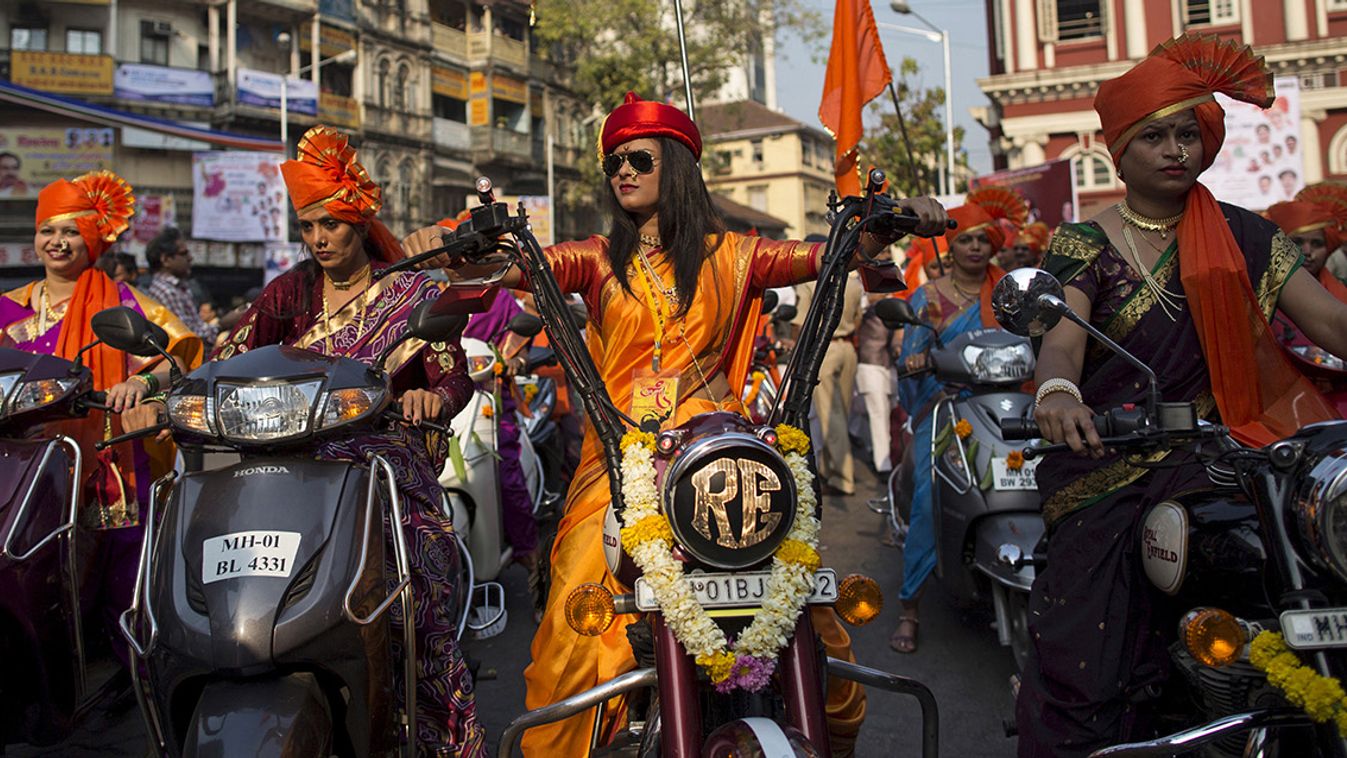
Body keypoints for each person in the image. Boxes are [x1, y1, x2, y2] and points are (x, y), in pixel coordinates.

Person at [402, 92, 947, 757]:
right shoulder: (597, 258)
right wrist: (454, 247)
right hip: (619, 460)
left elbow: (824, 254)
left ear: (679, 168)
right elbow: (519, 267)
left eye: (637, 159)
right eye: (612, 163)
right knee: (576, 606)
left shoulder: (734, 255)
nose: (620, 172)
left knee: (813, 607)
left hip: (724, 457)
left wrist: (884, 226)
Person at [1016, 35, 1347, 756]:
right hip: (1109, 460)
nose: (1175, 150)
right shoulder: (1085, 242)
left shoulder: (1244, 235)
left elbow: (1328, 323)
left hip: (1227, 454)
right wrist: (1060, 393)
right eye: (1154, 136)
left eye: (1187, 133)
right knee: (1086, 659)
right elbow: (1061, 342)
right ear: (1119, 151)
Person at [130, 126, 486, 754]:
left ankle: (433, 729)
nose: (320, 240)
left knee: (421, 591)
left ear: (358, 221)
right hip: (285, 469)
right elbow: (226, 357)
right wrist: (160, 389)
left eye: (332, 225)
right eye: (308, 228)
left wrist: (431, 397)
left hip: (380, 468)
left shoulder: (414, 293)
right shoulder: (288, 292)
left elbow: (449, 370)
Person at [0, 170, 203, 668]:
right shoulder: (8, 308)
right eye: (49, 229)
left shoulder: (123, 304)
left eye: (70, 231)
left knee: (116, 568)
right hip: (21, 459)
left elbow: (179, 355)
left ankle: (126, 672)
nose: (58, 242)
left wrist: (142, 383)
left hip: (106, 459)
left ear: (90, 239)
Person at [889, 202, 1006, 655]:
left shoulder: (1006, 292)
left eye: (983, 239)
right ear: (951, 247)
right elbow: (908, 366)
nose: (976, 247)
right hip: (947, 412)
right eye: (966, 240)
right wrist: (919, 366)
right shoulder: (930, 297)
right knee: (928, 493)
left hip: (1004, 404)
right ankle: (910, 607)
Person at [794, 234, 864, 496]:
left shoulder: (811, 281)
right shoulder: (853, 281)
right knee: (840, 413)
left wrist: (799, 353)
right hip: (848, 348)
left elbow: (799, 324)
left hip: (824, 349)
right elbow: (859, 319)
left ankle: (841, 478)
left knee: (829, 415)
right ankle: (829, 468)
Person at [145, 227, 218, 344]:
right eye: (184, 253)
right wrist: (222, 324)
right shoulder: (167, 291)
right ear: (166, 260)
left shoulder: (178, 287)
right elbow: (187, 335)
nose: (190, 258)